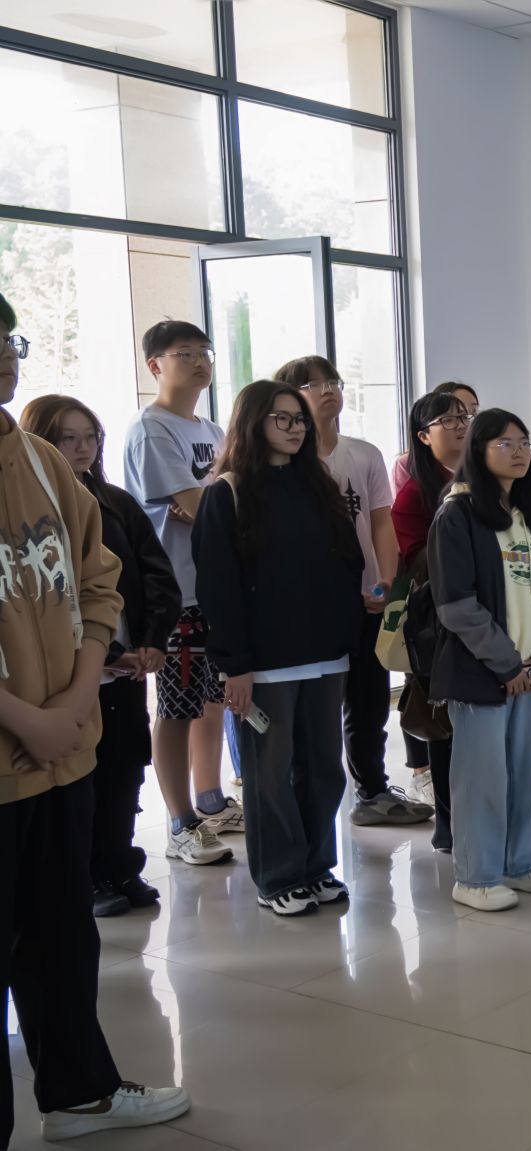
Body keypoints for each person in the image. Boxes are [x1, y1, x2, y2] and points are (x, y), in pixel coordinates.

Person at [0, 292, 191, 1146]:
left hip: (64, 750)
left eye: (7, 336)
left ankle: (79, 1093)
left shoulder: (41, 460)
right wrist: (25, 719)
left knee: (62, 936)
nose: (4, 353)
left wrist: (75, 701)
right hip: (16, 752)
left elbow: (98, 579)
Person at [193, 381, 363, 916]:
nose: (295, 428)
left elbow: (347, 564)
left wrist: (347, 637)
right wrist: (235, 666)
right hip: (265, 665)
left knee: (324, 770)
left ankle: (316, 867)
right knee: (271, 775)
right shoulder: (227, 492)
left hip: (326, 655)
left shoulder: (319, 485)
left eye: (299, 419)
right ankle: (279, 877)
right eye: (282, 418)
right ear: (253, 422)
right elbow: (218, 586)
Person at [22, 397, 178, 919]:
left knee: (125, 770)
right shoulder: (32, 512)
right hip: (72, 676)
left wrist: (152, 641)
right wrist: (108, 652)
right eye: (68, 438)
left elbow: (157, 572)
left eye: (90, 436)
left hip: (129, 669)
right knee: (80, 779)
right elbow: (57, 599)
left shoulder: (116, 502)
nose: (82, 447)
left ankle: (119, 867)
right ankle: (86, 879)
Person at [275, 355, 430, 827]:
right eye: (313, 384)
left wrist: (385, 582)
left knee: (368, 699)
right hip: (312, 606)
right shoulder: (284, 463)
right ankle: (305, 801)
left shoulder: (364, 454)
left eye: (333, 381)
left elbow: (381, 522)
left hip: (367, 598)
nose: (328, 389)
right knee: (315, 706)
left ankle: (372, 791)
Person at [429, 409, 531, 911]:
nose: (518, 452)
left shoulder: (528, 515)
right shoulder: (457, 514)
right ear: (478, 450)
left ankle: (520, 862)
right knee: (482, 779)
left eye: (524, 442)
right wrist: (506, 663)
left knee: (525, 774)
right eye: (504, 443)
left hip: (530, 671)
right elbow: (456, 604)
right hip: (484, 671)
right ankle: (476, 875)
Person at [123, 319, 235, 865]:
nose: (198, 361)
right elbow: (195, 505)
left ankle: (211, 800)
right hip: (177, 593)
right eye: (183, 353)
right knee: (177, 704)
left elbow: (218, 503)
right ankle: (179, 821)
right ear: (155, 365)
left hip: (213, 586)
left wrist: (213, 505)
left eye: (204, 352)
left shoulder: (211, 429)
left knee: (211, 700)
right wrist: (212, 505)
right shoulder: (152, 429)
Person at [393, 390, 472, 850]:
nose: (461, 425)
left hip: (492, 617)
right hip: (439, 626)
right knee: (445, 727)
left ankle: (486, 816)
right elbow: (419, 562)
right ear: (423, 436)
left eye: (465, 416)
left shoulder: (488, 477)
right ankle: (450, 824)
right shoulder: (414, 494)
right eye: (448, 419)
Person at [391, 380, 477, 491]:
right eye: (449, 419)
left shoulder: (482, 458)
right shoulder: (409, 471)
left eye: (472, 412)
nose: (462, 424)